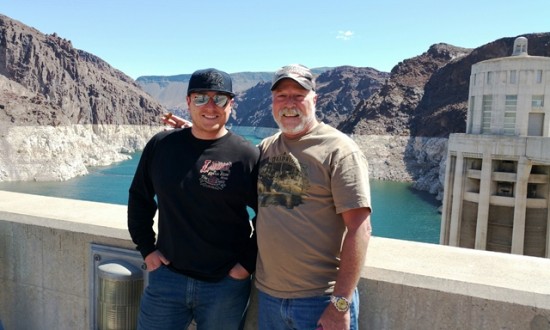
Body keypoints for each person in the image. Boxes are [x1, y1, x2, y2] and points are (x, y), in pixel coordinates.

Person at [127, 68, 259, 330]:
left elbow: (268, 217)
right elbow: (140, 197)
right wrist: (147, 248)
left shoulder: (246, 155)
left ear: (230, 104)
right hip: (167, 279)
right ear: (188, 102)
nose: (210, 106)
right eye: (200, 98)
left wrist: (245, 266)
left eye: (219, 99)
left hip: (225, 286)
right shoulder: (162, 145)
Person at [255, 64, 373, 330]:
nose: (289, 104)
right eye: (281, 96)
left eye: (298, 95)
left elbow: (360, 228)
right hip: (270, 297)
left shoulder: (339, 150)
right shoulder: (267, 147)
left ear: (314, 99)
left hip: (319, 301)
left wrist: (340, 303)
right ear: (272, 102)